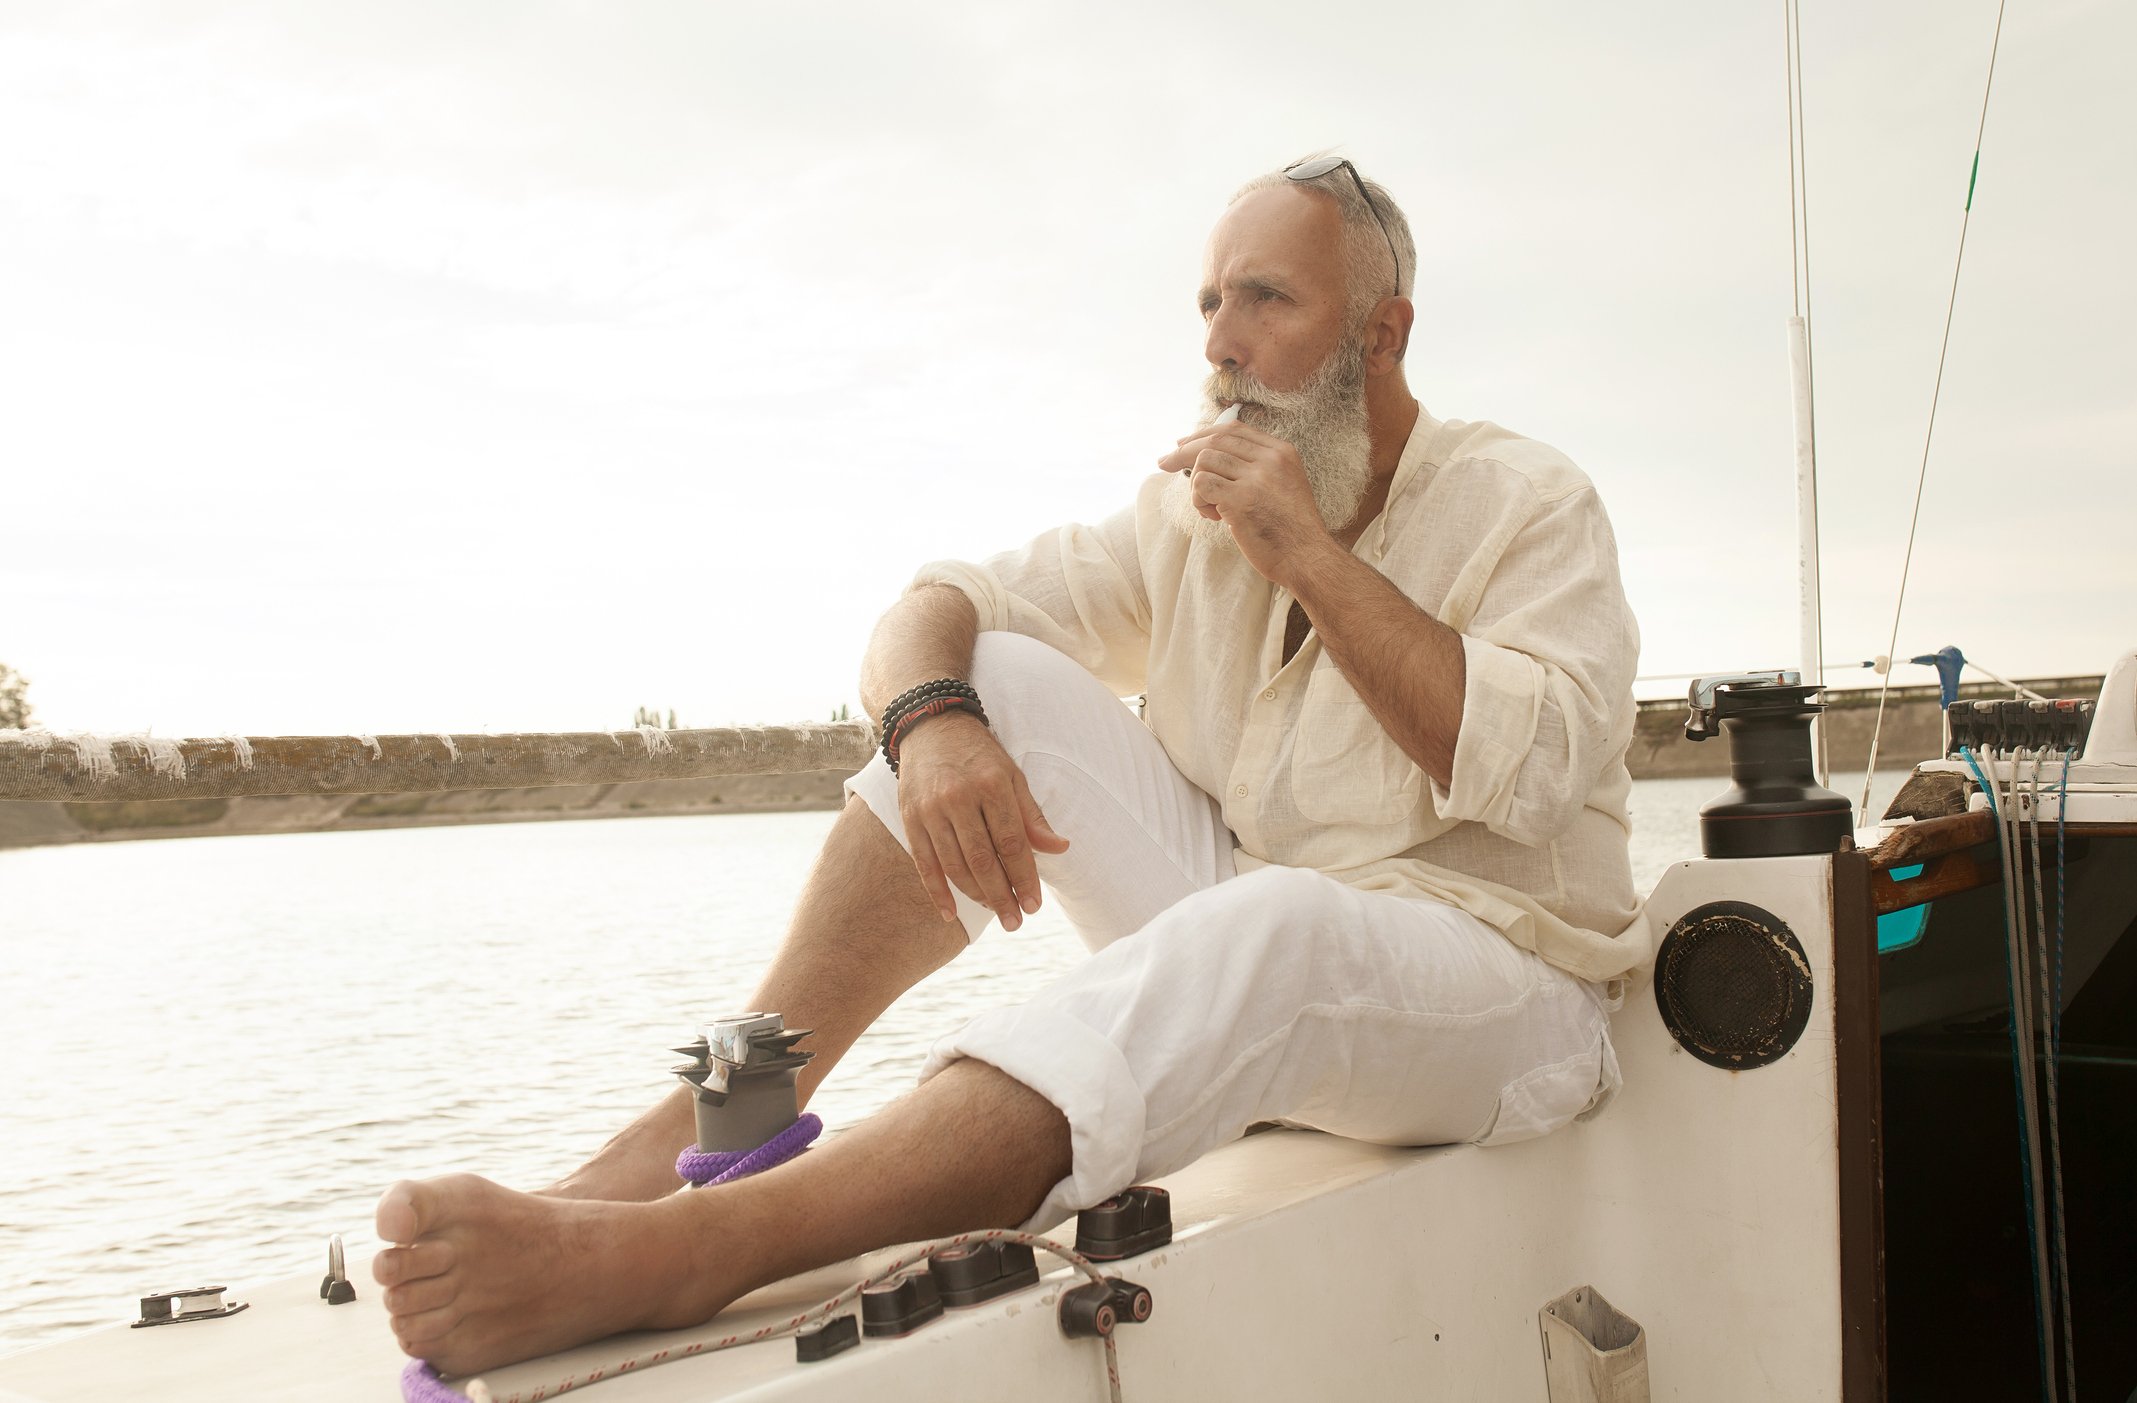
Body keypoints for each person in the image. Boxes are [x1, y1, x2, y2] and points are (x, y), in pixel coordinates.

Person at [372, 154, 1648, 1378]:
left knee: (1283, 924)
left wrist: (1306, 550)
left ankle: (693, 1251)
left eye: (1267, 298)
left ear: (1382, 334)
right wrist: (931, 720)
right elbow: (937, 602)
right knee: (1006, 678)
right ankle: (700, 1133)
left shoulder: (1526, 501)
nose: (1218, 340)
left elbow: (1526, 774)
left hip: (1506, 987)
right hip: (1270, 977)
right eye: (1210, 302)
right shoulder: (1181, 516)